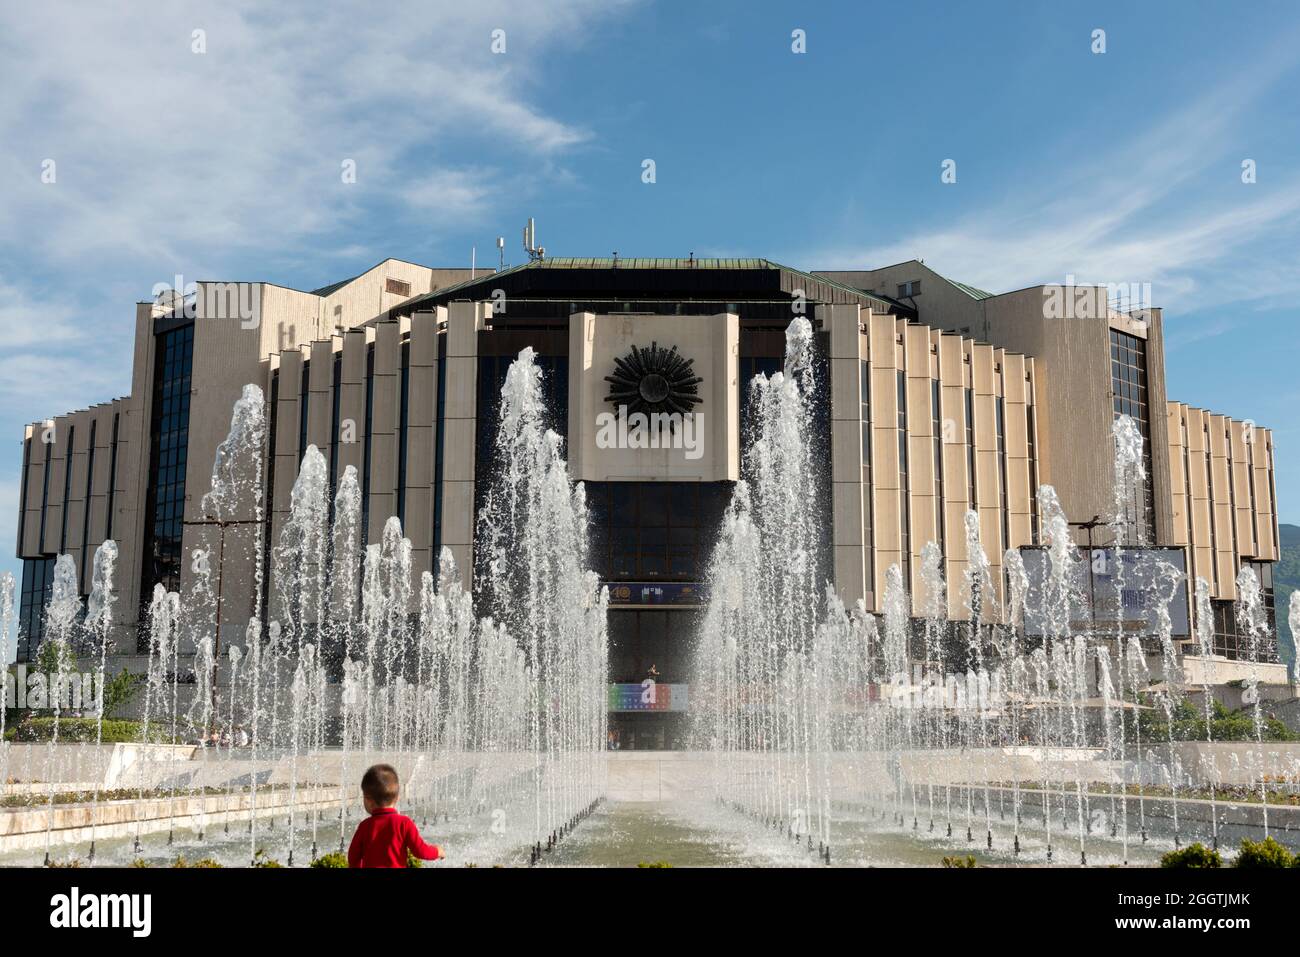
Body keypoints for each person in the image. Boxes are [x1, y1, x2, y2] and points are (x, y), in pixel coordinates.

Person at [347, 764, 444, 868]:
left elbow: (353, 857)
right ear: (397, 798)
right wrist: (437, 851)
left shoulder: (365, 826)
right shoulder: (404, 823)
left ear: (368, 801)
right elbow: (421, 851)